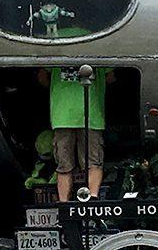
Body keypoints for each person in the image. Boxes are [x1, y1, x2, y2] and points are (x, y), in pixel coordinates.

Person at [38, 67, 114, 202]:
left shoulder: (59, 53)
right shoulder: (96, 54)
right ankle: (93, 199)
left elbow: (42, 77)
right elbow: (110, 77)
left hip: (62, 115)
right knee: (94, 162)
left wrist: (60, 88)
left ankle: (64, 204)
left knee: (64, 165)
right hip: (92, 116)